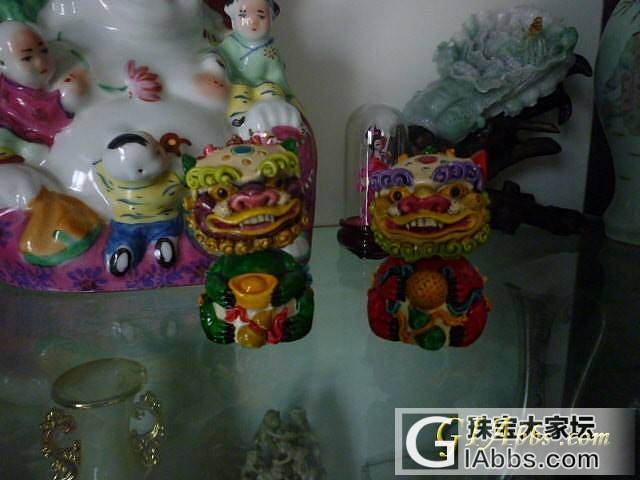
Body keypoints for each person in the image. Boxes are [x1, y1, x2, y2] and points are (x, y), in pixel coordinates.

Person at [95, 132, 185, 276]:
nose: (158, 162)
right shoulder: (172, 178)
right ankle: (127, 249)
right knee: (126, 236)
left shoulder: (110, 180)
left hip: (136, 221)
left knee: (127, 235)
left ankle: (161, 242)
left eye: (158, 152)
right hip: (150, 219)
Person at [0, 21, 89, 147]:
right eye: (27, 58)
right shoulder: (17, 97)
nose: (40, 62)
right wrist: (67, 97)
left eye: (44, 51)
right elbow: (45, 119)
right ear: (2, 64)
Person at [217, 0, 296, 128]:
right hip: (237, 83)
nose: (253, 22)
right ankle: (240, 120)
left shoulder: (270, 50)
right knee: (238, 96)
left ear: (270, 19)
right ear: (233, 20)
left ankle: (275, 119)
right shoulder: (229, 45)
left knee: (272, 93)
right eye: (243, 15)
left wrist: (285, 91)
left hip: (263, 84)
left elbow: (276, 73)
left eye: (261, 16)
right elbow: (219, 65)